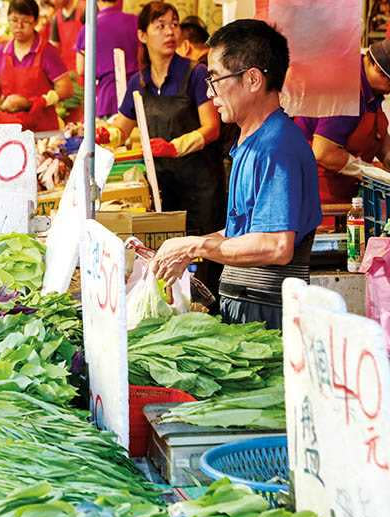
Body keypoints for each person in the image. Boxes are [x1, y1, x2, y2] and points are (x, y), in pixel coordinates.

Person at [151, 19, 322, 330]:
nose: (210, 91)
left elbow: (275, 246)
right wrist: (185, 247)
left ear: (253, 79)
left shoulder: (276, 147)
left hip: (268, 316)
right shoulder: (250, 141)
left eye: (215, 79)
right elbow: (240, 235)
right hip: (248, 308)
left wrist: (195, 247)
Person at [110, 1, 224, 290]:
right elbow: (119, 131)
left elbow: (211, 127)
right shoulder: (139, 82)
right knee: (167, 267)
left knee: (202, 265)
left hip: (200, 189)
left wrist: (175, 146)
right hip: (162, 192)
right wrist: (101, 133)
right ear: (142, 35)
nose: (170, 32)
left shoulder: (195, 74)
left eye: (174, 24)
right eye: (160, 26)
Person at [295, 38, 390, 208]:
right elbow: (323, 152)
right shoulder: (346, 90)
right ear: (377, 68)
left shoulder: (372, 92)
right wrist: (370, 172)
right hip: (317, 199)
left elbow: (383, 146)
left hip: (346, 197)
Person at [0, 0, 72, 132]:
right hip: (10, 127)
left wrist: (39, 102)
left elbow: (66, 89)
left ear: (35, 22)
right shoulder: (2, 51)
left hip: (42, 128)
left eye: (25, 21)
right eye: (14, 20)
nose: (19, 26)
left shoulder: (47, 51)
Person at [75, 0, 138, 117]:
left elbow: (81, 69)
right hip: (137, 94)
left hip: (107, 99)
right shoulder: (135, 21)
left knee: (112, 134)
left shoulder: (88, 28)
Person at [49, 0, 82, 72]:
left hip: (83, 69)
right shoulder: (56, 18)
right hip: (66, 70)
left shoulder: (83, 11)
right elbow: (53, 48)